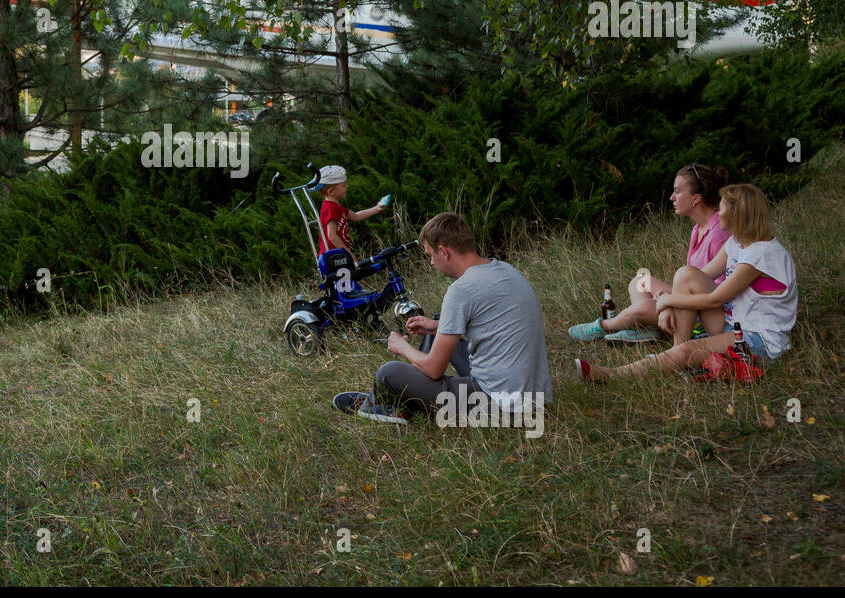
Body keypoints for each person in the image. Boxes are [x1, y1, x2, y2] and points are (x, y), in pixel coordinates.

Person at [332, 212, 552, 424]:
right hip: (531, 399)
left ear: (443, 252)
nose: (431, 263)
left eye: (430, 255)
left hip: (497, 405)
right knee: (442, 323)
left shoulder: (462, 290)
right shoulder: (505, 269)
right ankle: (404, 393)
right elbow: (496, 326)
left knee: (387, 372)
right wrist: (437, 326)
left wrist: (402, 347)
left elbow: (434, 369)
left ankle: (378, 403)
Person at [576, 183, 797, 382]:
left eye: (722, 208)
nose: (718, 212)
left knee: (690, 349)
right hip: (733, 322)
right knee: (685, 274)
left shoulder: (763, 254)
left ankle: (611, 375)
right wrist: (669, 303)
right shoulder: (736, 243)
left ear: (738, 213)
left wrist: (667, 301)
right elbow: (698, 276)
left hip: (758, 339)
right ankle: (676, 352)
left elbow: (715, 299)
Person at [568, 163, 730, 344]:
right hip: (689, 297)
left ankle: (604, 326)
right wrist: (668, 298)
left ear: (696, 199)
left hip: (705, 312)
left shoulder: (719, 233)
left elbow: (718, 291)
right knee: (640, 281)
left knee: (643, 307)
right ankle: (645, 330)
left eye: (677, 191)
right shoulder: (698, 228)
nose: (671, 197)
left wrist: (670, 300)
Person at [312, 165, 385, 255]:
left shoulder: (336, 206)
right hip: (333, 257)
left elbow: (356, 216)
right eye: (343, 185)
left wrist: (377, 208)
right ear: (331, 191)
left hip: (339, 254)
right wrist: (348, 253)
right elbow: (331, 235)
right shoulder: (330, 208)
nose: (347, 186)